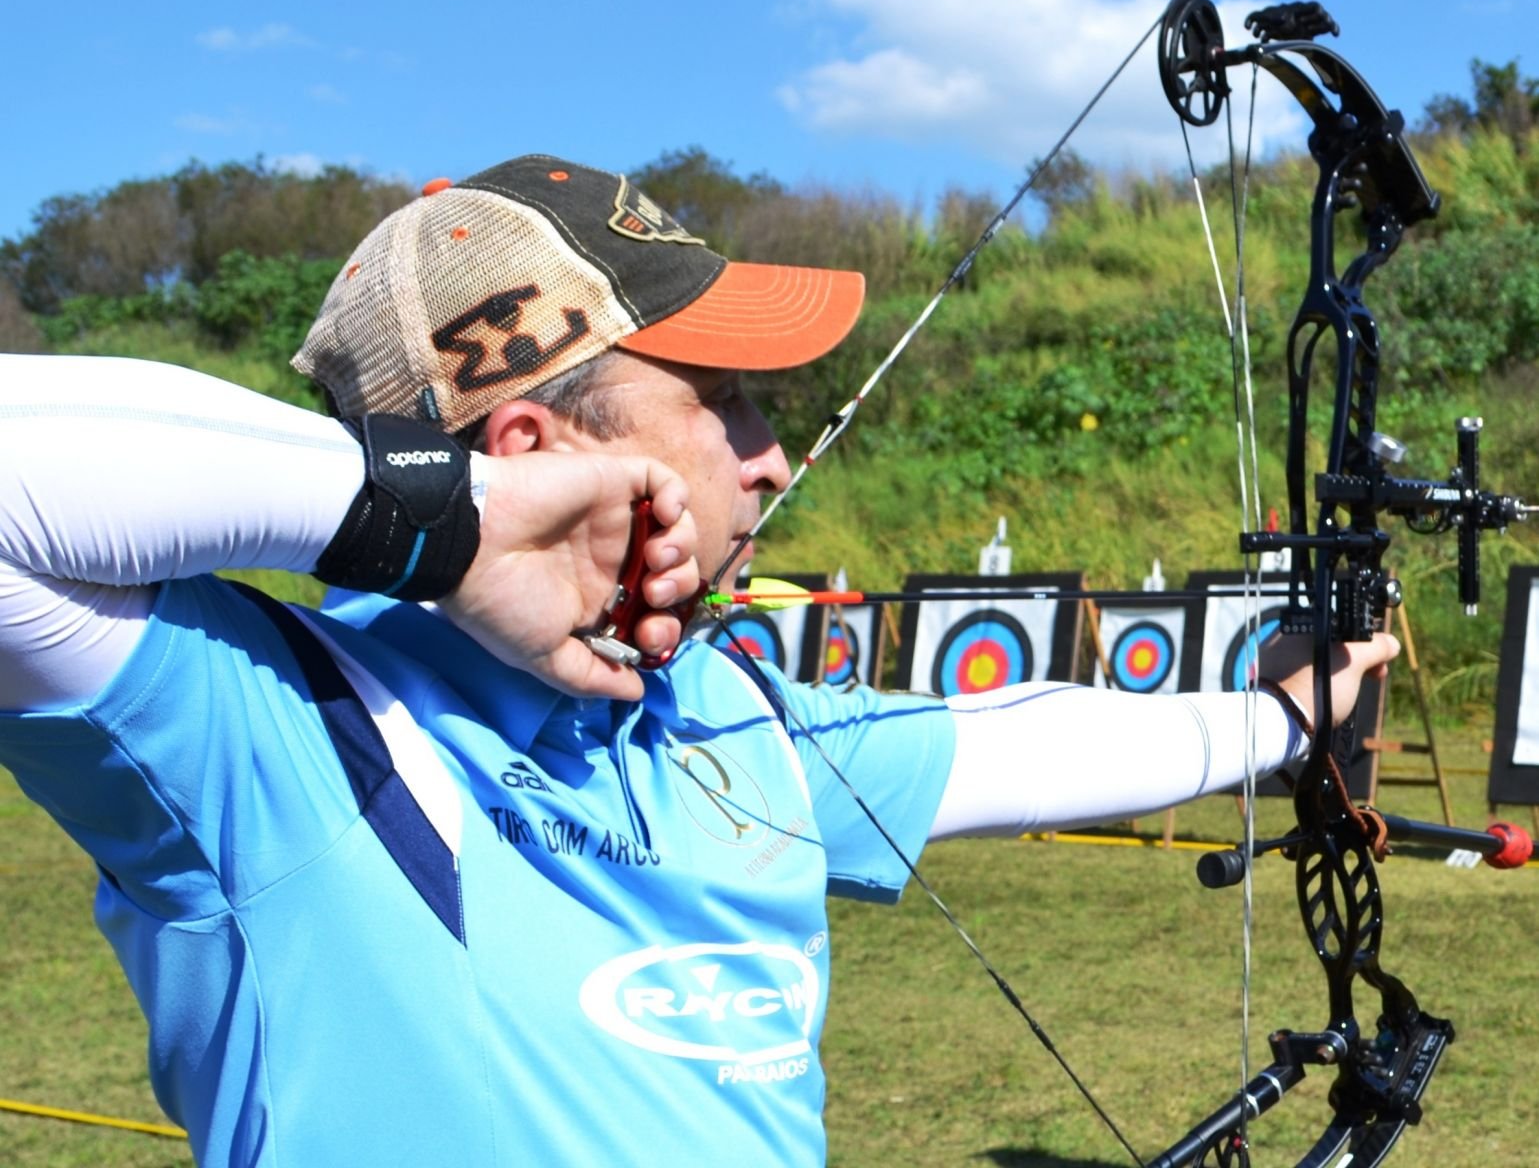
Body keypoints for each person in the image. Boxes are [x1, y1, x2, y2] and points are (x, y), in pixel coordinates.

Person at [0, 154, 1396, 1167]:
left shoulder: (725, 713)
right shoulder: (267, 727)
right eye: (721, 404)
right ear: (535, 456)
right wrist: (455, 529)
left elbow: (1028, 745)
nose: (776, 455)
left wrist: (1288, 714)